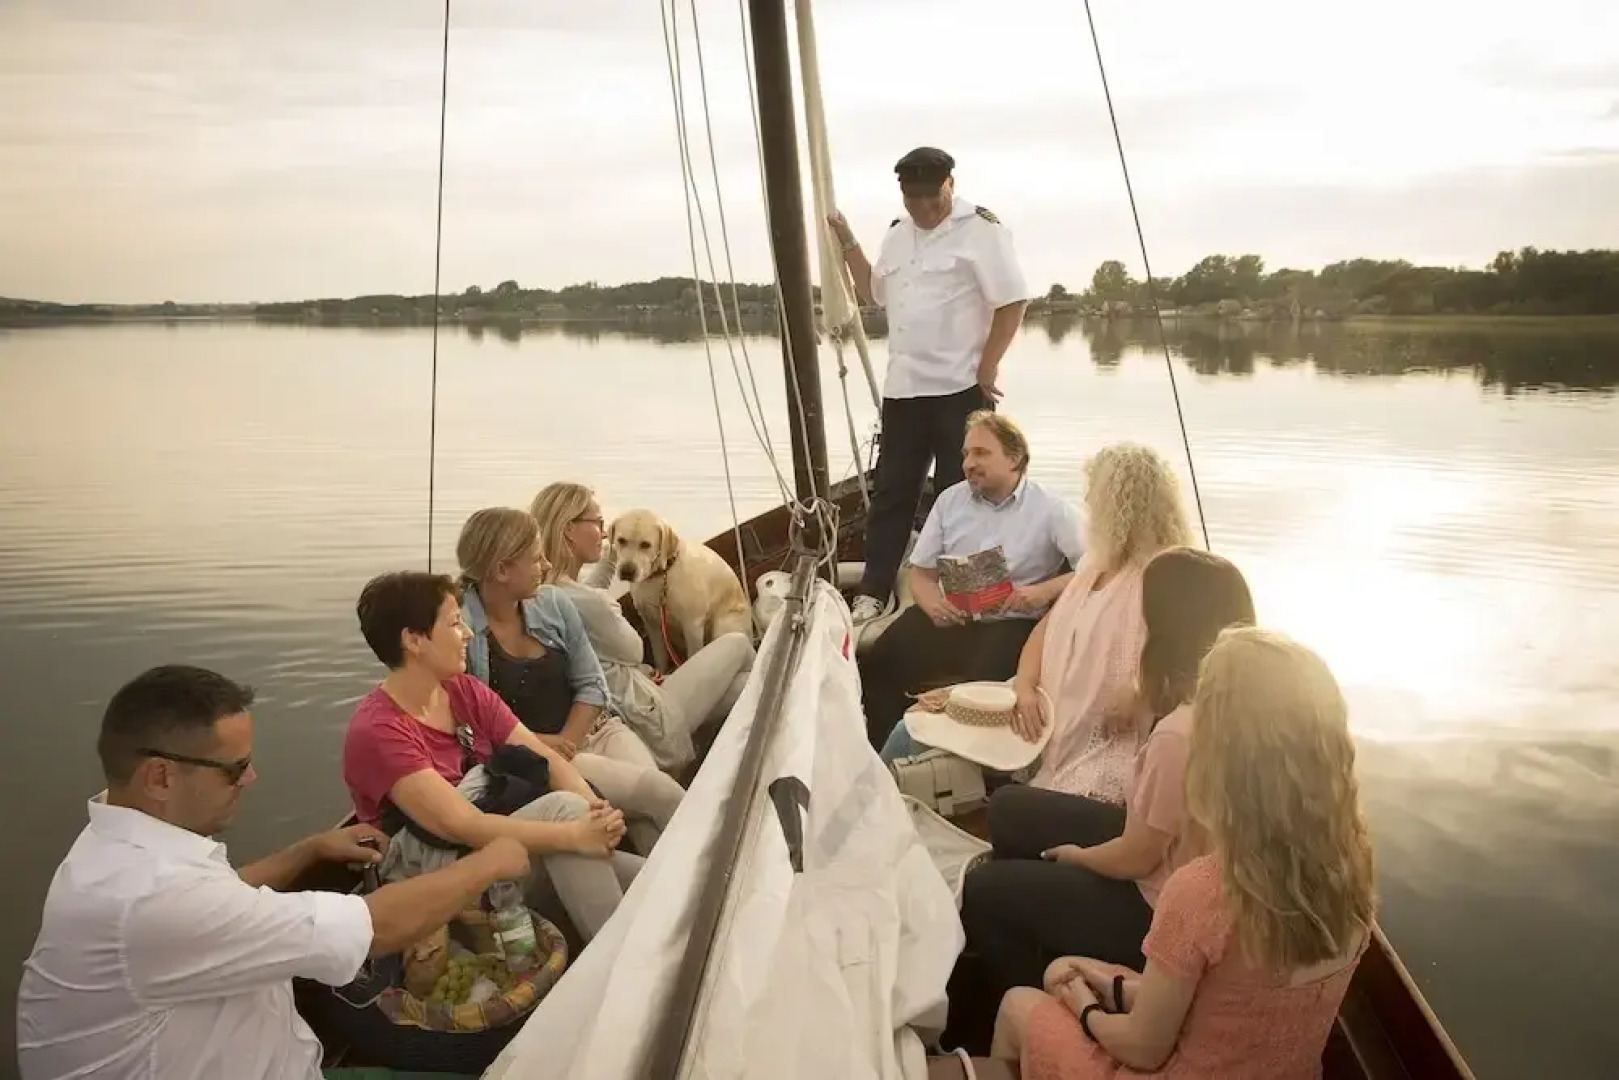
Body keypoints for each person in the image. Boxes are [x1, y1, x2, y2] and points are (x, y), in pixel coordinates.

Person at [17, 664, 532, 1080]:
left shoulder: (116, 844)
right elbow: (375, 928)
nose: (253, 777)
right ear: (160, 776)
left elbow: (221, 896)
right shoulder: (148, 898)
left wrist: (308, 850)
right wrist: (488, 861)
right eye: (236, 768)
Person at [989, 628, 1376, 1079]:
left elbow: (1143, 1050)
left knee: (1020, 1005)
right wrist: (1110, 989)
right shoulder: (1355, 866)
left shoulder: (1204, 892)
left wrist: (1085, 1008)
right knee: (1066, 969)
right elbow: (1230, 1004)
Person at [958, 548, 1256, 1001]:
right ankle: (1047, 921)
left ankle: (1033, 999)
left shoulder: (1178, 736)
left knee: (983, 891)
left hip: (1157, 905)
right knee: (1008, 807)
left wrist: (1077, 856)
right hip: (1173, 854)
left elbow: (1136, 859)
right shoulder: (1237, 699)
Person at [343, 570, 639, 943]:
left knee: (644, 878)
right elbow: (462, 825)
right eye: (454, 623)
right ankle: (619, 969)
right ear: (414, 641)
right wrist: (576, 833)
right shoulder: (379, 731)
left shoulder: (463, 690)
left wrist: (598, 814)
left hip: (499, 843)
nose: (468, 632)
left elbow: (545, 758)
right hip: (439, 877)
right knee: (565, 812)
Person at [828, 146, 1031, 625]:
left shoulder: (981, 230)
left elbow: (1013, 301)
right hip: (903, 391)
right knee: (892, 494)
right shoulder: (898, 235)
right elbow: (873, 292)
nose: (922, 209)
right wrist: (845, 240)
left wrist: (988, 369)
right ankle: (872, 592)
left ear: (950, 186)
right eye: (913, 198)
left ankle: (973, 599)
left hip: (960, 390)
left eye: (932, 198)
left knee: (967, 491)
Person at [456, 506, 685, 851]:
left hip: (596, 731)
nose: (547, 566)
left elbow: (592, 685)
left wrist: (569, 740)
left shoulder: (554, 604)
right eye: (536, 559)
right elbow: (468, 728)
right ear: (502, 570)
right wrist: (545, 748)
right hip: (534, 755)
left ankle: (686, 893)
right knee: (658, 795)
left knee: (649, 806)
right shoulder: (461, 631)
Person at [859, 410, 1082, 749]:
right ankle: (884, 750)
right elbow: (922, 575)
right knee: (880, 658)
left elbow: (1096, 568)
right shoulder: (950, 500)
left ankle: (957, 762)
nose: (968, 463)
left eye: (981, 453)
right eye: (965, 454)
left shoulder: (1051, 509)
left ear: (1015, 458)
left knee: (983, 684)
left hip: (1013, 624)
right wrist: (934, 605)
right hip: (953, 617)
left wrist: (1042, 591)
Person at [529, 482, 753, 772]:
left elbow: (584, 594)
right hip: (644, 711)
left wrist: (613, 558)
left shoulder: (545, 587)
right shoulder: (586, 601)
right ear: (569, 529)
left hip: (625, 701)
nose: (606, 533)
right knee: (738, 646)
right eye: (598, 524)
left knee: (744, 685)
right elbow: (635, 649)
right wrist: (608, 605)